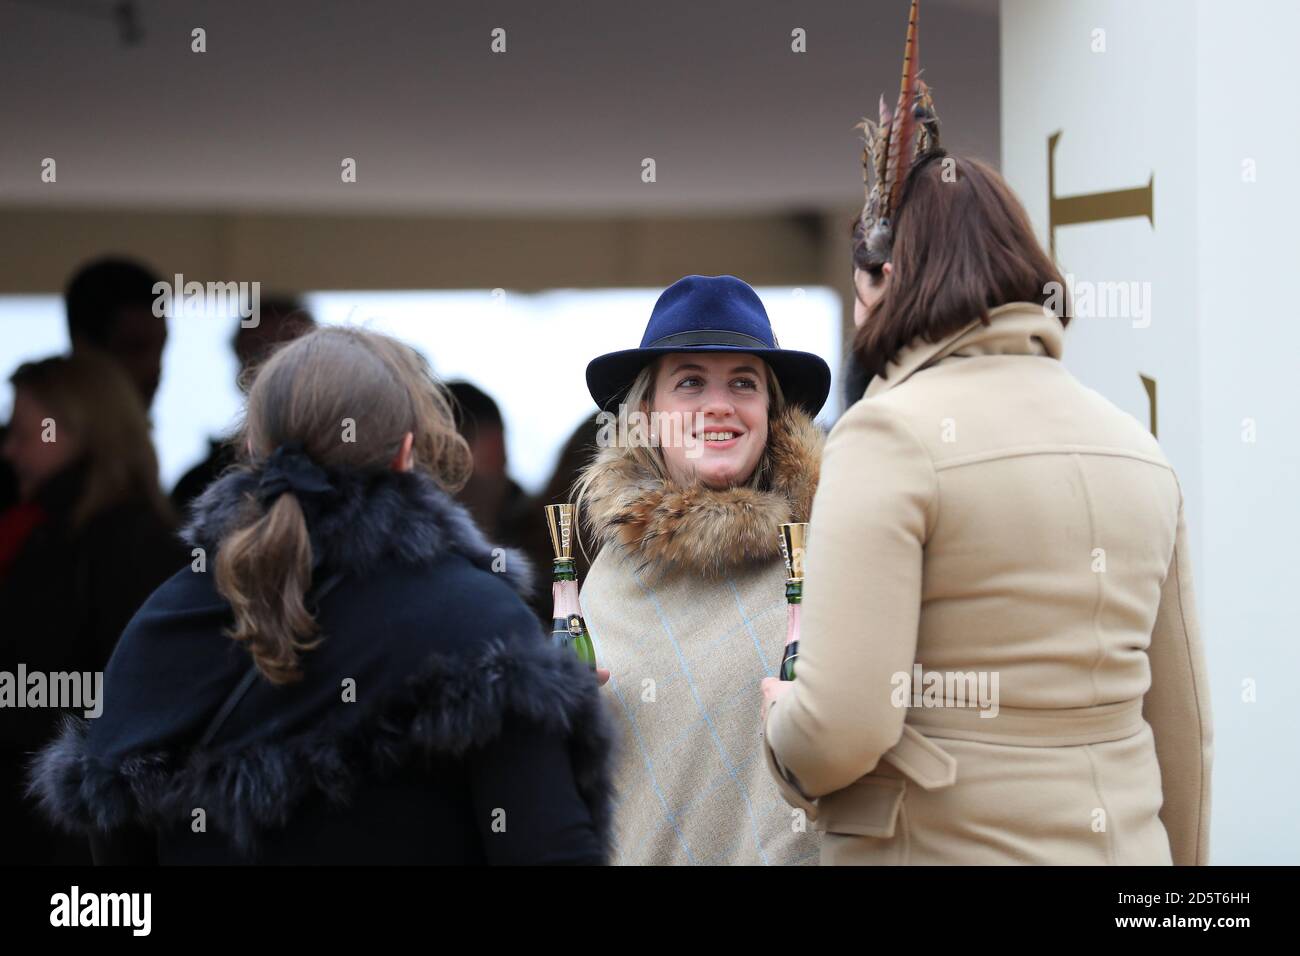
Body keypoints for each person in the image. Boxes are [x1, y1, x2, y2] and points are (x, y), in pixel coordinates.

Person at [761, 5, 1213, 865]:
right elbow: (1184, 730)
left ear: (889, 278)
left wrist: (779, 725)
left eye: (860, 293)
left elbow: (843, 727)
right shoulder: (1136, 448)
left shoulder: (889, 434)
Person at [29, 327, 615, 865]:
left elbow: (118, 866)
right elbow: (547, 849)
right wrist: (560, 723)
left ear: (253, 450)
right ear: (407, 453)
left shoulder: (168, 618)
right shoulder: (480, 618)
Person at [574, 274, 830, 865]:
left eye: (744, 383)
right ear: (648, 413)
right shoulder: (608, 580)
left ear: (771, 411)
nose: (719, 405)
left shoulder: (827, 555)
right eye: (690, 382)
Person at [0, 353, 187, 864]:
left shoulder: (124, 545)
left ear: (83, 428)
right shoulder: (42, 532)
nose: (10, 448)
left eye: (24, 430)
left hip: (78, 836)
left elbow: (125, 693)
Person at [171, 299, 316, 512]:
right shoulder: (199, 486)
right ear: (241, 370)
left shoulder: (354, 473)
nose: (272, 370)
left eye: (291, 353)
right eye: (258, 353)